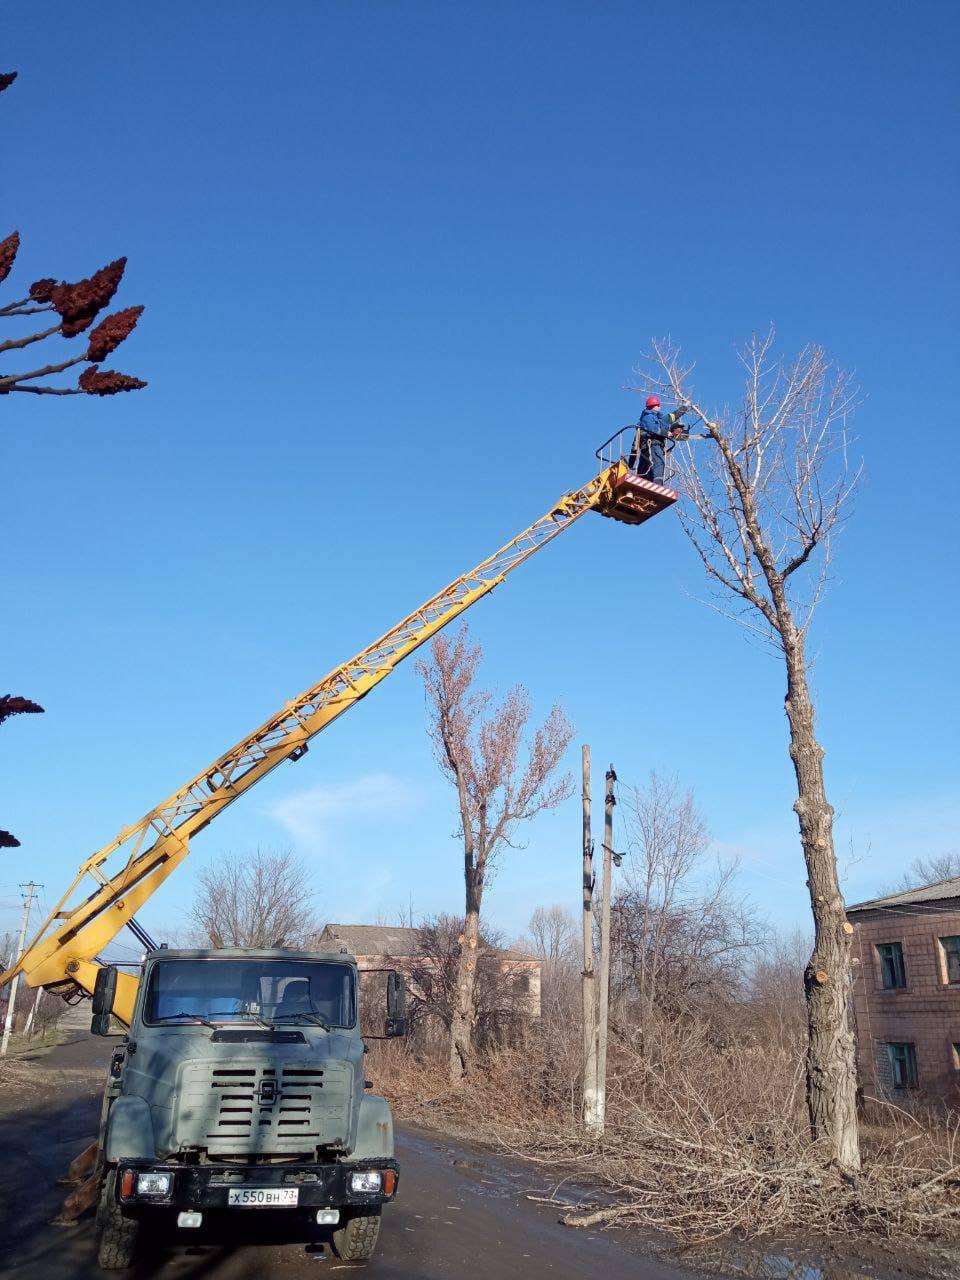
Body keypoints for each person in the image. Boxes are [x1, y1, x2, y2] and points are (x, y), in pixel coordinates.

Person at [628, 395, 689, 483]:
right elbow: (653, 430)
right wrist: (667, 433)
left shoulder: (660, 419)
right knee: (658, 464)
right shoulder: (648, 417)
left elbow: (674, 416)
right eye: (658, 405)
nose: (660, 407)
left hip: (647, 449)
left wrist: (685, 406)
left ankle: (643, 487)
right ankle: (658, 484)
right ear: (654, 406)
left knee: (646, 472)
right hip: (653, 446)